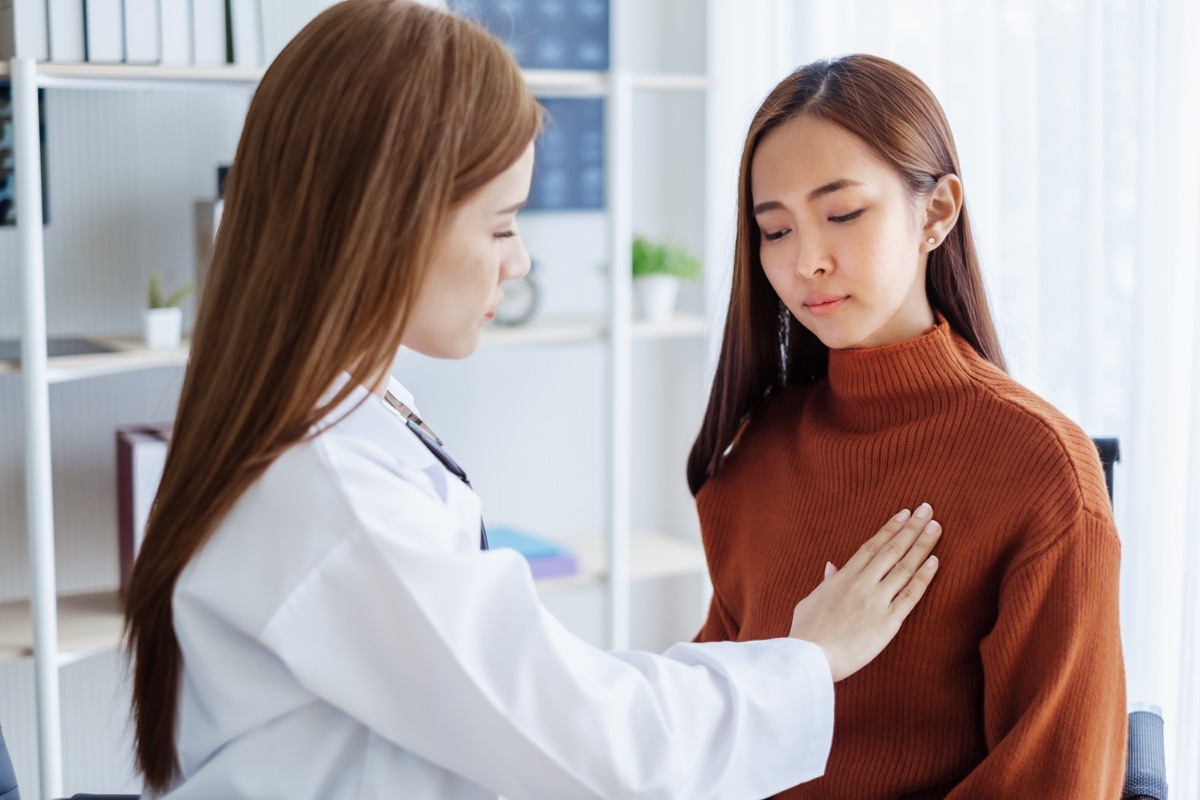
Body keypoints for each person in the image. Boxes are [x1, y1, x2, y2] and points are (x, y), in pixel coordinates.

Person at [122, 6, 945, 799]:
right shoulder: (329, 490)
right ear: (388, 225)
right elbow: (587, 740)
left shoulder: (337, 426)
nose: (518, 263)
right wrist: (807, 659)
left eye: (842, 214)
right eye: (502, 224)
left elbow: (542, 702)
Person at [688, 53, 1127, 798]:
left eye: (843, 213)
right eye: (774, 230)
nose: (806, 262)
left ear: (936, 212)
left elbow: (1056, 779)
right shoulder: (754, 451)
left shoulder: (1041, 468)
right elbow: (704, 732)